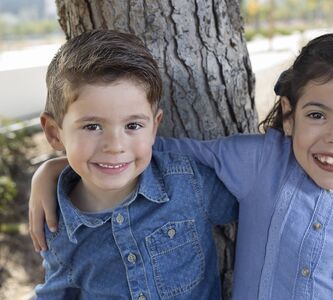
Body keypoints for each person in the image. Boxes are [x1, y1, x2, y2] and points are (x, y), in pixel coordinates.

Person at [29, 33, 333, 299]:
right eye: (317, 115)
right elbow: (147, 149)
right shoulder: (262, 163)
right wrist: (59, 166)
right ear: (289, 115)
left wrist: (65, 160)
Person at [31, 29, 237, 299]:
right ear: (55, 134)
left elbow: (259, 208)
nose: (115, 145)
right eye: (92, 126)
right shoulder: (56, 225)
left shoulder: (187, 182)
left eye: (133, 125)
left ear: (154, 127)